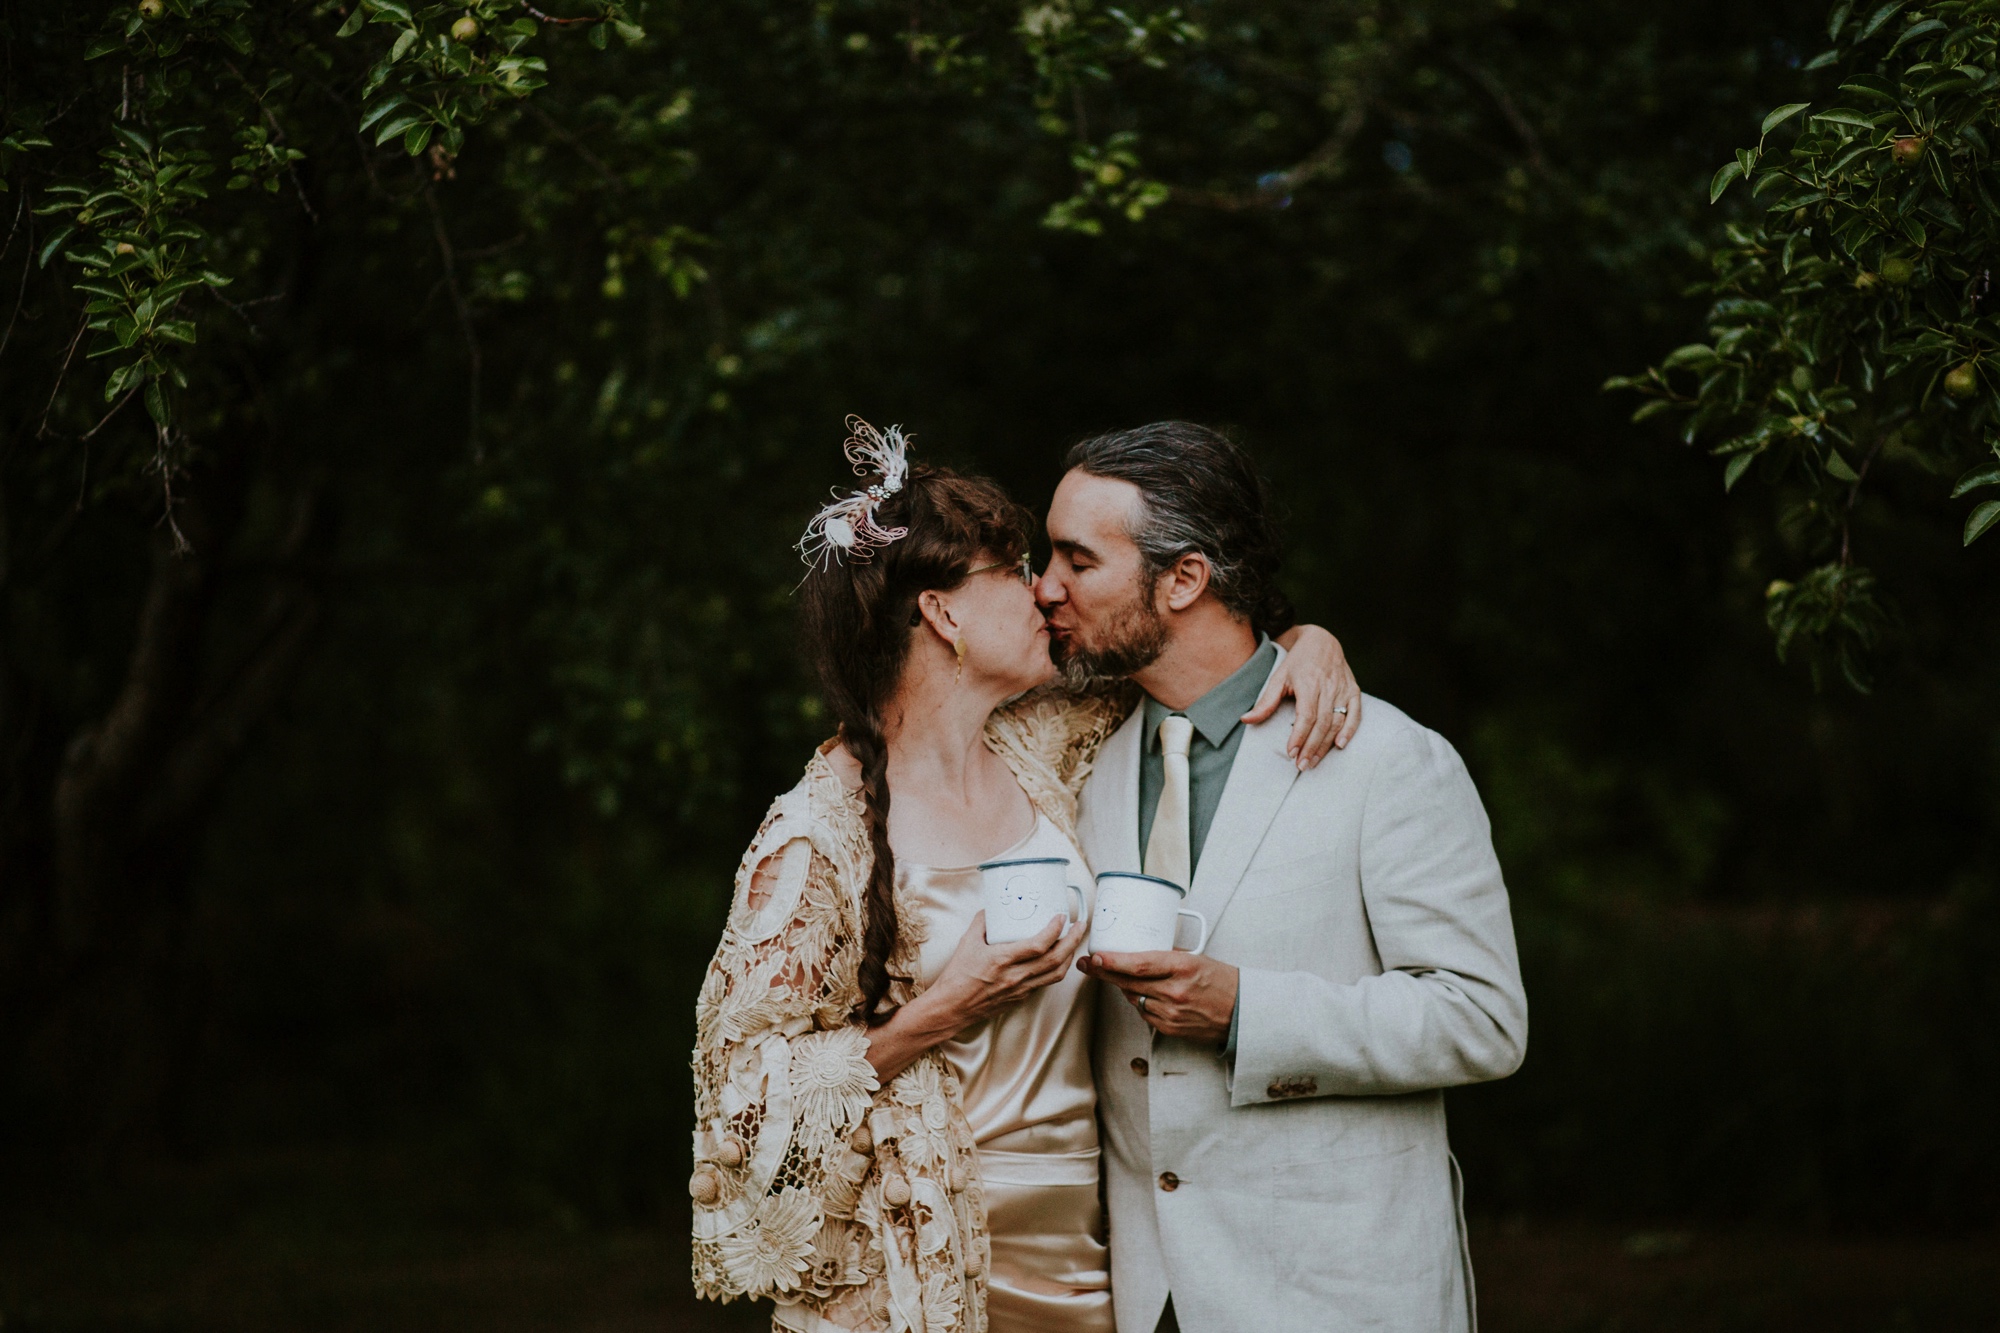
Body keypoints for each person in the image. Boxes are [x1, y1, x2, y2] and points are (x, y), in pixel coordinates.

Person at [689, 419, 1360, 1333]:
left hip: (1091, 1259)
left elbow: (1199, 649)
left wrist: (1306, 640)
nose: (1045, 590)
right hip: (920, 1264)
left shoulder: (1052, 744)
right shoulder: (820, 832)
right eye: (1012, 570)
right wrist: (941, 1010)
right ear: (942, 613)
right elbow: (742, 1092)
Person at [1042, 421, 1529, 1333]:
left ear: (1183, 578)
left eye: (1077, 559)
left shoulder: (1386, 759)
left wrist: (1249, 1013)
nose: (1045, 586)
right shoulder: (1073, 756)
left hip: (1336, 1294)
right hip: (1144, 1297)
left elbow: (1484, 1018)